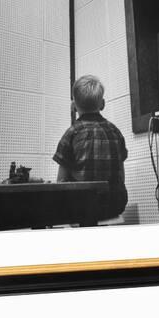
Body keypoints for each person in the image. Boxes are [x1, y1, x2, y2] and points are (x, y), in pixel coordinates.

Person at [53, 75, 128, 219]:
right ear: (103, 104)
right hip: (115, 204)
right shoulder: (115, 131)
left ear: (73, 106)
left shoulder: (71, 133)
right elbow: (121, 177)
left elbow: (60, 182)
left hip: (81, 206)